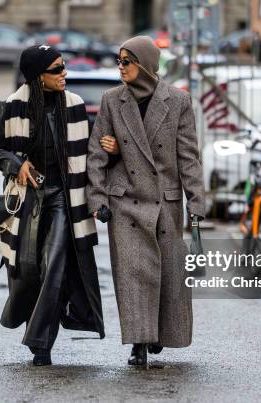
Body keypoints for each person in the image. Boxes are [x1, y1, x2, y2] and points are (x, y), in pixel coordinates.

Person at [86, 36, 205, 367]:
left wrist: (197, 205)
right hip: (124, 202)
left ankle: (158, 334)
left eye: (128, 61)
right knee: (133, 275)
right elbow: (96, 153)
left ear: (146, 64)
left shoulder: (178, 102)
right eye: (119, 61)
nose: (121, 67)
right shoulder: (112, 100)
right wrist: (96, 198)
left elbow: (188, 158)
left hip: (165, 202)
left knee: (167, 275)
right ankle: (139, 341)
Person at [0, 45, 104, 366]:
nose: (64, 73)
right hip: (27, 202)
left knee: (55, 264)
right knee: (31, 271)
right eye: (57, 69)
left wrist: (110, 154)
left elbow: (91, 156)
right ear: (38, 76)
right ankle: (40, 338)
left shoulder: (75, 105)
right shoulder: (13, 106)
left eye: (63, 67)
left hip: (65, 200)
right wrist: (16, 164)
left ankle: (40, 342)